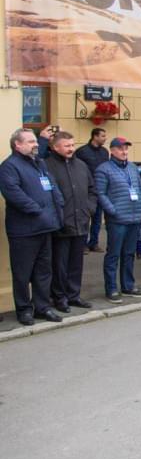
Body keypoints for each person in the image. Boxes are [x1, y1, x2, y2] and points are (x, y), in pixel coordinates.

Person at [0, 128, 65, 324]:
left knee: (43, 271)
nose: (36, 144)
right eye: (30, 141)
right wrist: (38, 211)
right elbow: (14, 194)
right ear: (17, 145)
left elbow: (53, 187)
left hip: (45, 227)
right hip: (24, 230)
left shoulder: (40, 163)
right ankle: (24, 309)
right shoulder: (9, 166)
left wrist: (58, 206)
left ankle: (42, 307)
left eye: (35, 141)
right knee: (22, 273)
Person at [45, 130, 97, 311]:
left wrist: (90, 208)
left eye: (72, 145)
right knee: (59, 264)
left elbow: (92, 189)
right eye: (67, 146)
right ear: (55, 147)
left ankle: (74, 295)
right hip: (60, 224)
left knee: (76, 262)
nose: (71, 149)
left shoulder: (81, 165)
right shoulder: (47, 166)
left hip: (81, 221)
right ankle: (59, 298)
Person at [94, 137, 141, 302]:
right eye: (120, 149)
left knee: (129, 254)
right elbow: (100, 193)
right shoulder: (103, 169)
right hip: (117, 219)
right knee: (114, 254)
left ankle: (128, 286)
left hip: (134, 217)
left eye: (126, 149)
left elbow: (139, 187)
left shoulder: (132, 167)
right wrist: (112, 210)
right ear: (112, 150)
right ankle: (111, 289)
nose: (124, 152)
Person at [74, 126, 109, 251]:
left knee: (97, 218)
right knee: (85, 217)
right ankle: (83, 244)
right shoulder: (82, 151)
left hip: (100, 188)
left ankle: (94, 243)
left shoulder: (105, 152)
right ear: (95, 136)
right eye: (103, 136)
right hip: (86, 189)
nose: (105, 138)